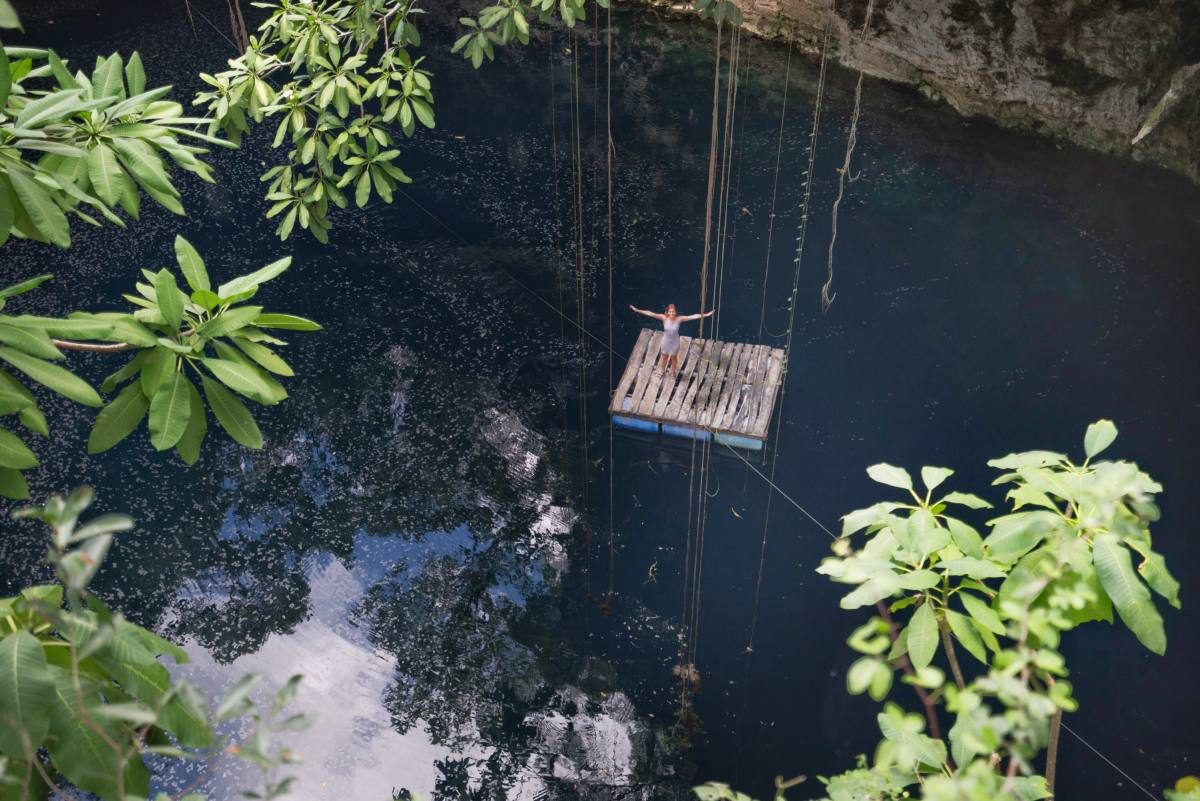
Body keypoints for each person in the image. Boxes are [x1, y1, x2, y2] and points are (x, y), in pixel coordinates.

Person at [628, 303, 715, 375]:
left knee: (674, 358)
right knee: (664, 357)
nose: (672, 313)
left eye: (673, 312)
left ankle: (673, 372)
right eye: (670, 312)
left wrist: (706, 315)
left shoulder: (679, 319)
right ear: (667, 312)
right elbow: (650, 313)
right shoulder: (663, 318)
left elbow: (693, 316)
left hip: (674, 342)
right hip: (665, 341)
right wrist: (637, 310)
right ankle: (662, 371)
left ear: (675, 312)